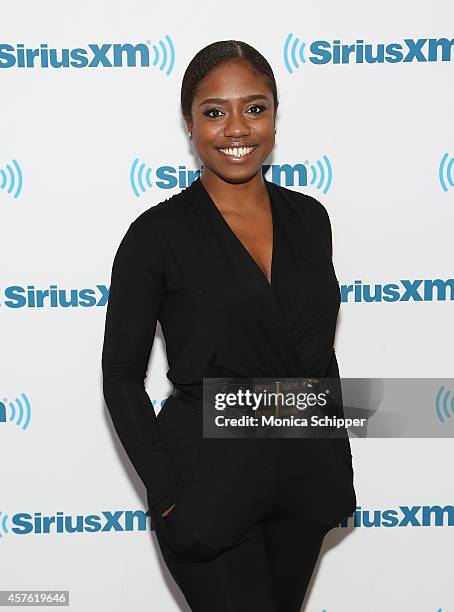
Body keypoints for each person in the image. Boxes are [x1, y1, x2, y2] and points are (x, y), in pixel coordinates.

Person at [101, 40, 356, 612]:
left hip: (302, 481)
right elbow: (120, 376)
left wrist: (335, 458)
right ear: (189, 124)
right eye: (214, 111)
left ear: (274, 117)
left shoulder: (311, 218)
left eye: (255, 107)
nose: (236, 127)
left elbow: (319, 355)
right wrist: (167, 494)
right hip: (208, 485)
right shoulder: (155, 235)